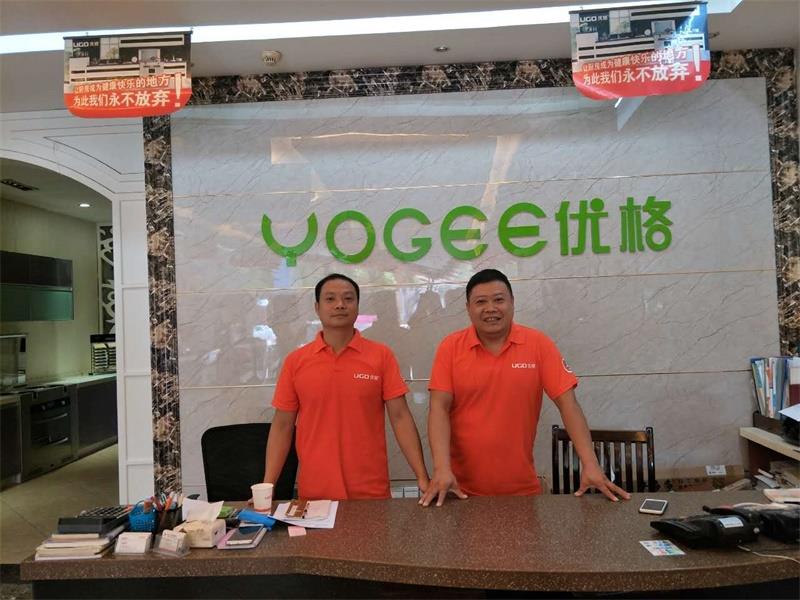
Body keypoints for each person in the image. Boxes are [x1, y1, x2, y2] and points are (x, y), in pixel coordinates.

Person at [421, 269, 630, 507]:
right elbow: (438, 408)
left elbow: (568, 404)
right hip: (460, 491)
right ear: (468, 308)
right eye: (481, 302)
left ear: (512, 302)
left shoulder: (538, 344)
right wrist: (441, 469)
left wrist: (590, 464)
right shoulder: (450, 348)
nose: (490, 308)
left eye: (498, 299)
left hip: (522, 491)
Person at [264, 273, 429, 500]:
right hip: (315, 491)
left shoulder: (380, 356)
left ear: (357, 306)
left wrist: (422, 476)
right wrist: (268, 485)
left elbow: (400, 417)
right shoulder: (296, 361)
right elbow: (282, 426)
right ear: (317, 307)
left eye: (348, 298)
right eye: (330, 299)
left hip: (370, 490)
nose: (340, 305)